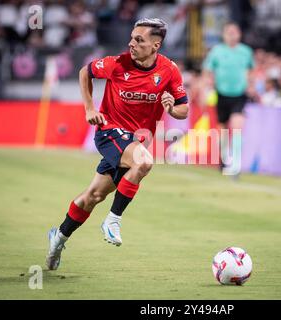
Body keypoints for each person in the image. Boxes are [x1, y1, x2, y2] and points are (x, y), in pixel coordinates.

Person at [46, 18, 189, 270]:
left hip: (135, 140)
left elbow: (184, 109)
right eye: (132, 37)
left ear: (156, 45)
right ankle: (113, 220)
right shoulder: (116, 64)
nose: (131, 43)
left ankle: (58, 239)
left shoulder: (169, 70)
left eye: (139, 40)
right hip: (109, 131)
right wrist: (90, 108)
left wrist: (171, 108)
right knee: (144, 161)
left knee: (94, 195)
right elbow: (85, 72)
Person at [202, 22, 254, 174]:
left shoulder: (246, 51)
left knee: (238, 126)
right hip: (222, 93)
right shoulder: (217, 51)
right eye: (229, 32)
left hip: (239, 94)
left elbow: (251, 70)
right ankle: (224, 158)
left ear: (239, 34)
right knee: (222, 128)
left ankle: (236, 163)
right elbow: (207, 70)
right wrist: (206, 87)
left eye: (234, 32)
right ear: (224, 35)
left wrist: (251, 85)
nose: (232, 35)